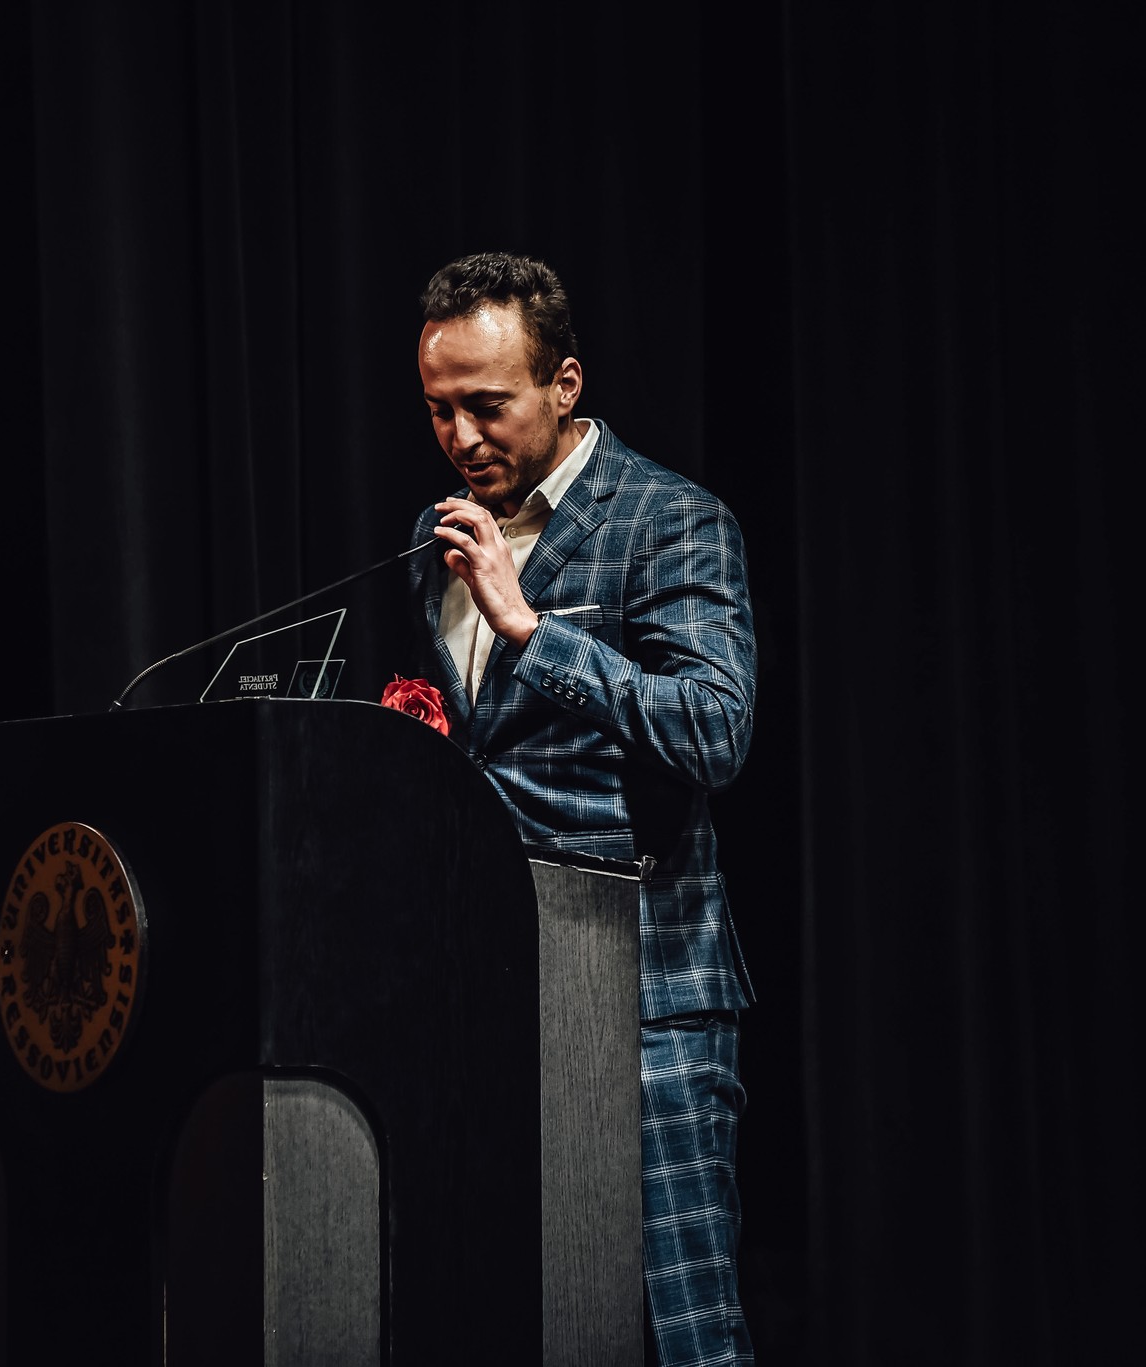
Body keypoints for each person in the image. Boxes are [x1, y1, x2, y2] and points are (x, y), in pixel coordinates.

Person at [406, 251, 758, 1366]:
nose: (461, 437)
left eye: (486, 404)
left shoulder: (670, 519)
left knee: (681, 1329)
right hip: (494, 995)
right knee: (532, 1318)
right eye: (438, 409)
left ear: (563, 384)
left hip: (645, 997)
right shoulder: (438, 537)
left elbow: (714, 731)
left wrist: (530, 631)